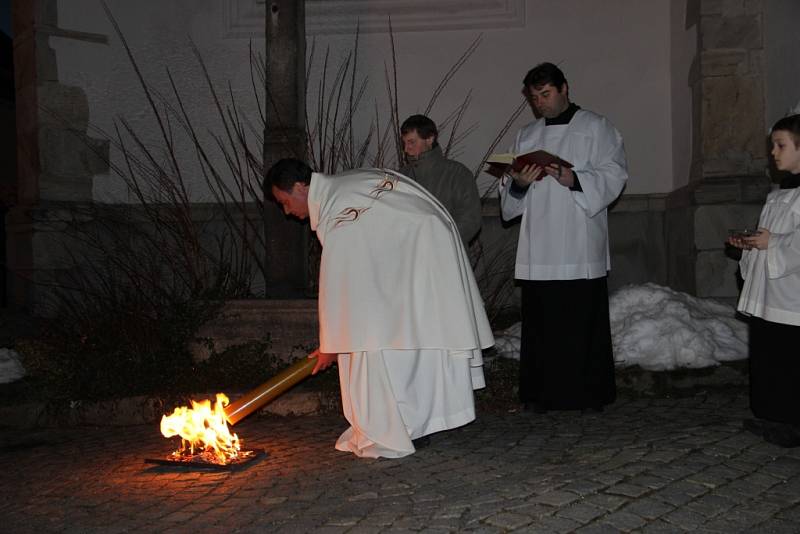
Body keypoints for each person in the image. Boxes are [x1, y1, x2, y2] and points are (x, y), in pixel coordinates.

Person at [265, 158, 494, 458]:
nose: (288, 212)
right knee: (410, 342)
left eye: (284, 202)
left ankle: (400, 426)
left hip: (418, 260)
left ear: (299, 186)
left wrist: (331, 345)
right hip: (424, 256)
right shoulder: (347, 184)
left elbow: (340, 287)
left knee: (380, 349)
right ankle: (419, 422)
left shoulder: (340, 216)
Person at [498, 62, 628, 413]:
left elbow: (615, 173)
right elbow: (508, 193)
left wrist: (576, 180)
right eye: (534, 97)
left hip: (578, 242)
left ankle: (586, 395)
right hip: (540, 245)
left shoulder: (596, 127)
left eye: (546, 94)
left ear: (564, 88)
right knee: (543, 326)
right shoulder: (526, 136)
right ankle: (541, 396)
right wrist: (519, 184)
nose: (540, 103)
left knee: (579, 323)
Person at [727, 114, 800, 448]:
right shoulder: (778, 194)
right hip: (771, 294)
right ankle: (773, 416)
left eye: (780, 145)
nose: (773, 152)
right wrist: (749, 244)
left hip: (792, 296)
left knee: (789, 359)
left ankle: (792, 422)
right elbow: (769, 237)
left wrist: (773, 243)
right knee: (770, 355)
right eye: (773, 144)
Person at [399, 114, 483, 245]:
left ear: (430, 139)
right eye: (404, 143)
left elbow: (470, 220)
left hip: (446, 256)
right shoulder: (402, 176)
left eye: (411, 142)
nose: (406, 149)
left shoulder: (457, 173)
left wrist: (438, 242)